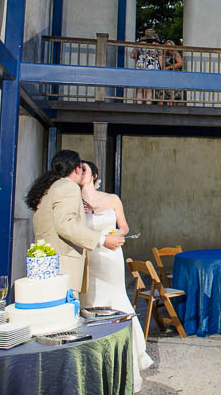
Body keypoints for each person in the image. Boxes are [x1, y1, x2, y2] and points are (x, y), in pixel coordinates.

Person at [79, 161, 153, 393]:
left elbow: (125, 226)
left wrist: (117, 233)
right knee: (89, 300)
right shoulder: (73, 201)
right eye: (78, 169)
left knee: (115, 298)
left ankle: (128, 352)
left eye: (85, 170)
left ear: (94, 175)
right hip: (88, 257)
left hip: (110, 256)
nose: (80, 172)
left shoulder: (111, 199)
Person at [24, 150, 124, 295]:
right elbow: (66, 225)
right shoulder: (68, 187)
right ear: (77, 169)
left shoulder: (49, 187)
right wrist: (102, 240)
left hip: (47, 263)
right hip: (63, 266)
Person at [129, 28, 161, 104]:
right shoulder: (156, 44)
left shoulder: (140, 43)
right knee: (149, 88)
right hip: (152, 64)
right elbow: (161, 55)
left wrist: (140, 54)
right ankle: (148, 104)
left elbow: (132, 55)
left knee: (140, 87)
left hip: (142, 64)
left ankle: (139, 104)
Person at [156, 39, 183, 105]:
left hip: (173, 75)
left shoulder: (175, 53)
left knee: (172, 92)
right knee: (161, 93)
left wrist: (169, 67)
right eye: (166, 46)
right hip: (163, 75)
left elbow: (180, 63)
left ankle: (171, 107)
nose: (168, 48)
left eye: (170, 46)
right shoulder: (162, 53)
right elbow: (161, 65)